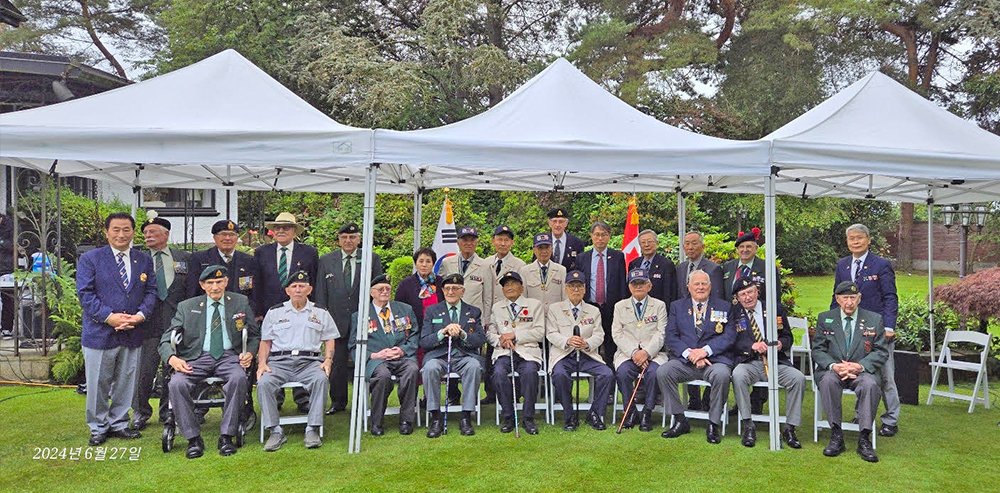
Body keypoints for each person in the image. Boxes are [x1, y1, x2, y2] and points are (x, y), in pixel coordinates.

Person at [159, 265, 259, 459]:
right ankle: (193, 438)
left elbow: (254, 334)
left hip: (229, 356)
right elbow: (166, 339)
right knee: (177, 383)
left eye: (219, 282)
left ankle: (227, 435)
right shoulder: (187, 306)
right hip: (196, 357)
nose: (215, 287)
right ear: (202, 285)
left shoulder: (240, 302)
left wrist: (250, 353)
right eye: (210, 283)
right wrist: (172, 358)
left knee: (238, 378)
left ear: (226, 282)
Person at [77, 212, 158, 446]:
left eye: (126, 230)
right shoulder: (91, 259)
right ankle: (98, 426)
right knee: (98, 383)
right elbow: (85, 294)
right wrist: (109, 317)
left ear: (133, 232)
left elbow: (151, 291)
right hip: (100, 333)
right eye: (116, 230)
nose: (121, 234)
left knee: (126, 381)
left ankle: (120, 422)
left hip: (133, 331)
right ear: (107, 232)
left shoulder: (142, 259)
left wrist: (140, 316)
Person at [831, 223, 900, 437]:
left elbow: (890, 297)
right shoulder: (842, 265)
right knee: (856, 372)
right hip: (851, 331)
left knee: (885, 375)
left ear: (868, 240)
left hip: (878, 331)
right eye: (851, 238)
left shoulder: (881, 265)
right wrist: (831, 324)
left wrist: (889, 326)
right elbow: (837, 297)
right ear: (847, 241)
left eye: (860, 237)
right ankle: (862, 415)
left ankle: (890, 419)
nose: (855, 241)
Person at [257, 270, 337, 451]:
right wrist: (262, 363)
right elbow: (265, 341)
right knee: (264, 383)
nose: (298, 290)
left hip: (309, 362)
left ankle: (312, 428)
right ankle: (275, 431)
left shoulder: (320, 312)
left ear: (310, 289)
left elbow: (330, 338)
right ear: (287, 291)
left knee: (321, 379)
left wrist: (328, 360)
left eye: (302, 286)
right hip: (279, 362)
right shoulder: (275, 312)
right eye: (294, 286)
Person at [656, 270, 736, 444]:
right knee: (663, 372)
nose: (700, 287)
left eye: (704, 283)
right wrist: (691, 354)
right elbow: (671, 336)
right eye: (696, 284)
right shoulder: (677, 306)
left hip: (714, 361)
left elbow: (729, 336)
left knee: (722, 375)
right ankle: (679, 419)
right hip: (686, 362)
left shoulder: (724, 306)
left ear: (710, 286)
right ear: (688, 287)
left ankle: (713, 423)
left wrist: (705, 351)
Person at [813, 281, 889, 463]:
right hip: (834, 369)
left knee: (870, 384)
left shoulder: (874, 319)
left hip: (862, 371)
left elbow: (881, 351)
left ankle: (864, 438)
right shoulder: (825, 318)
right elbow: (817, 349)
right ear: (837, 299)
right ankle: (836, 435)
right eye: (845, 298)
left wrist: (859, 366)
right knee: (828, 381)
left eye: (853, 298)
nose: (849, 302)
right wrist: (833, 365)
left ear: (859, 298)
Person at [315, 222, 383, 416]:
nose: (348, 241)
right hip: (335, 321)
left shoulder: (371, 258)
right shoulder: (327, 260)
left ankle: (368, 401)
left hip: (363, 321)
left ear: (359, 239)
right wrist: (321, 319)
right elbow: (320, 292)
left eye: (352, 237)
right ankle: (338, 402)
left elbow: (377, 290)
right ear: (338, 239)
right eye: (344, 237)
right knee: (337, 364)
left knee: (367, 361)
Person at [254, 212, 319, 413]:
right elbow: (257, 284)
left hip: (302, 310)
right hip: (270, 312)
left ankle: (303, 398)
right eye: (278, 227)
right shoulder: (261, 252)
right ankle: (276, 398)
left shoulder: (309, 252)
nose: (281, 230)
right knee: (275, 352)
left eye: (287, 227)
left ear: (294, 231)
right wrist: (257, 311)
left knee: (302, 348)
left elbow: (314, 282)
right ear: (273, 231)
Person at [728, 278, 804, 449]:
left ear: (757, 291)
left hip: (775, 361)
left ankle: (790, 428)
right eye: (743, 294)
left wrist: (780, 344)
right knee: (738, 375)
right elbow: (730, 340)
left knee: (797, 378)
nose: (747, 297)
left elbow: (787, 336)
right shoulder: (733, 312)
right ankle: (748, 424)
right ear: (737, 298)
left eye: (750, 292)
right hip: (750, 362)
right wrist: (751, 345)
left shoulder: (773, 308)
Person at [133, 213, 190, 431]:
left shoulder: (183, 258)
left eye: (152, 232)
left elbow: (191, 289)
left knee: (172, 368)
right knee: (145, 370)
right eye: (145, 233)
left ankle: (168, 410)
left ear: (165, 234)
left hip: (176, 322)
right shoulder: (138, 260)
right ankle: (141, 411)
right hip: (148, 323)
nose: (148, 235)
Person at [721, 227, 780, 414]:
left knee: (760, 357)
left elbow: (775, 297)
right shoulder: (728, 268)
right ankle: (741, 401)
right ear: (737, 250)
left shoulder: (767, 267)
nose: (745, 250)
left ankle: (757, 402)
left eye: (749, 246)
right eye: (741, 247)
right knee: (739, 358)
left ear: (756, 248)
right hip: (734, 320)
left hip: (760, 319)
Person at [352, 274, 420, 436]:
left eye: (388, 289)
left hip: (402, 357)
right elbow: (353, 346)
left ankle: (406, 420)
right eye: (380, 289)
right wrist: (374, 355)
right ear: (371, 293)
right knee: (382, 376)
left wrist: (403, 350)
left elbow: (415, 334)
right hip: (377, 360)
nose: (384, 292)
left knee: (412, 371)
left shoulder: (405, 309)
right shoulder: (360, 315)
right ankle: (377, 421)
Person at [420, 274, 487, 438]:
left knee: (474, 366)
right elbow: (424, 341)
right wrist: (442, 333)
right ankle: (435, 416)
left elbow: (480, 339)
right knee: (429, 368)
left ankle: (466, 416)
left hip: (464, 356)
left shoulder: (473, 312)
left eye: (455, 288)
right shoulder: (432, 311)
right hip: (440, 356)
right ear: (442, 291)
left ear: (462, 291)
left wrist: (463, 334)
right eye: (448, 288)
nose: (451, 291)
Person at [546, 270, 613, 431]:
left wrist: (586, 343)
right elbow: (551, 333)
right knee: (560, 375)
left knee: (607, 374)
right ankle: (569, 416)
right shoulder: (555, 309)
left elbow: (599, 335)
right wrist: (567, 340)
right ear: (566, 289)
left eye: (579, 286)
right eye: (572, 286)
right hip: (564, 355)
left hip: (587, 355)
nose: (575, 290)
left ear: (584, 289)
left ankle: (595, 413)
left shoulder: (593, 310)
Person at [439, 226, 493, 403]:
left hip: (472, 319)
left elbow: (488, 296)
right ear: (458, 242)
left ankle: (472, 398)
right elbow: (442, 292)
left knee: (471, 357)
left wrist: (485, 321)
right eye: (465, 239)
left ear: (477, 242)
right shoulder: (448, 263)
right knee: (448, 352)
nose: (468, 243)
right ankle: (452, 395)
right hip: (450, 316)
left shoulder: (486, 265)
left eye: (472, 240)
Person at [611, 268, 667, 432]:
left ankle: (647, 413)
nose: (638, 286)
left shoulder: (659, 305)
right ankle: (631, 412)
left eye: (642, 283)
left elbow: (661, 332)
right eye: (635, 284)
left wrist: (647, 353)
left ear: (649, 285)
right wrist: (635, 353)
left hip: (654, 354)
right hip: (628, 354)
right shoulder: (620, 306)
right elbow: (617, 333)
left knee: (653, 373)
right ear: (629, 287)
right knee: (622, 373)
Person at [488, 271, 544, 435]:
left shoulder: (534, 305)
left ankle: (528, 418)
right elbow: (490, 332)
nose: (509, 287)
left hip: (527, 352)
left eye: (513, 283)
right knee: (498, 373)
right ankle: (508, 417)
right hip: (504, 352)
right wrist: (500, 339)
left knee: (530, 373)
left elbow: (540, 332)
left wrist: (515, 336)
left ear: (522, 287)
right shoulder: (497, 307)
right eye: (506, 284)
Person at [675, 231, 725, 411]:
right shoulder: (680, 268)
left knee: (708, 359)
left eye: (694, 243)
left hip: (708, 324)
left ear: (702, 246)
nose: (690, 247)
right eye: (686, 243)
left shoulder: (713, 269)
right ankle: (693, 399)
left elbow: (718, 298)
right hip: (686, 324)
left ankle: (707, 400)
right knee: (687, 359)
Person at [576, 221, 627, 367]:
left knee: (611, 345)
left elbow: (622, 283)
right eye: (597, 235)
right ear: (591, 236)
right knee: (590, 344)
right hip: (589, 308)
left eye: (604, 235)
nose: (600, 238)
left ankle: (611, 378)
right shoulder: (582, 258)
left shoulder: (617, 256)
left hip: (611, 307)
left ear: (609, 236)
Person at [186, 220, 257, 300]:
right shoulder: (199, 259)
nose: (227, 238)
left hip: (239, 310)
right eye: (223, 234)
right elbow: (192, 291)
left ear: (237, 238)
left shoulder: (248, 260)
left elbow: (253, 293)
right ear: (214, 237)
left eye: (232, 235)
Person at [627, 229, 677, 304]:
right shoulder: (634, 264)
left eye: (649, 241)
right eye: (643, 242)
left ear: (657, 243)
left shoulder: (666, 264)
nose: (646, 245)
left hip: (658, 308)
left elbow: (669, 293)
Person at [484, 225, 526, 309]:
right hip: (487, 313)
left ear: (512, 242)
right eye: (500, 239)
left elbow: (522, 294)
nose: (503, 244)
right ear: (493, 241)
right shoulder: (485, 262)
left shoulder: (520, 265)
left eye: (506, 240)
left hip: (508, 313)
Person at [518, 233, 566, 306]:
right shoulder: (525, 271)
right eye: (540, 248)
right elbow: (523, 298)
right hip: (534, 315)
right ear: (534, 250)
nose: (544, 251)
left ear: (552, 248)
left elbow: (564, 298)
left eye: (547, 247)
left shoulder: (561, 270)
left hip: (555, 315)